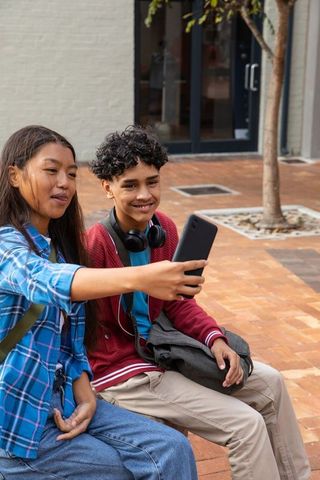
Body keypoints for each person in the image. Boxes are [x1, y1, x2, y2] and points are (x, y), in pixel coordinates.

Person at [86, 125, 311, 480]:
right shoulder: (95, 245)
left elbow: (178, 303)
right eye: (130, 184)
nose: (145, 194)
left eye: (153, 181)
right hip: (127, 372)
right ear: (107, 187)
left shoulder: (165, 230)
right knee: (246, 425)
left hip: (165, 350)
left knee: (272, 384)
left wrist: (213, 338)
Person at [0, 125, 204, 480]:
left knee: (172, 449)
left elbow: (71, 339)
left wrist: (84, 389)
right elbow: (47, 281)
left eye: (72, 174)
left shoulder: (58, 248)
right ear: (15, 175)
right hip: (16, 418)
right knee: (115, 469)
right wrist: (141, 278)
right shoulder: (7, 246)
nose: (64, 182)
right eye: (51, 171)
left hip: (62, 399)